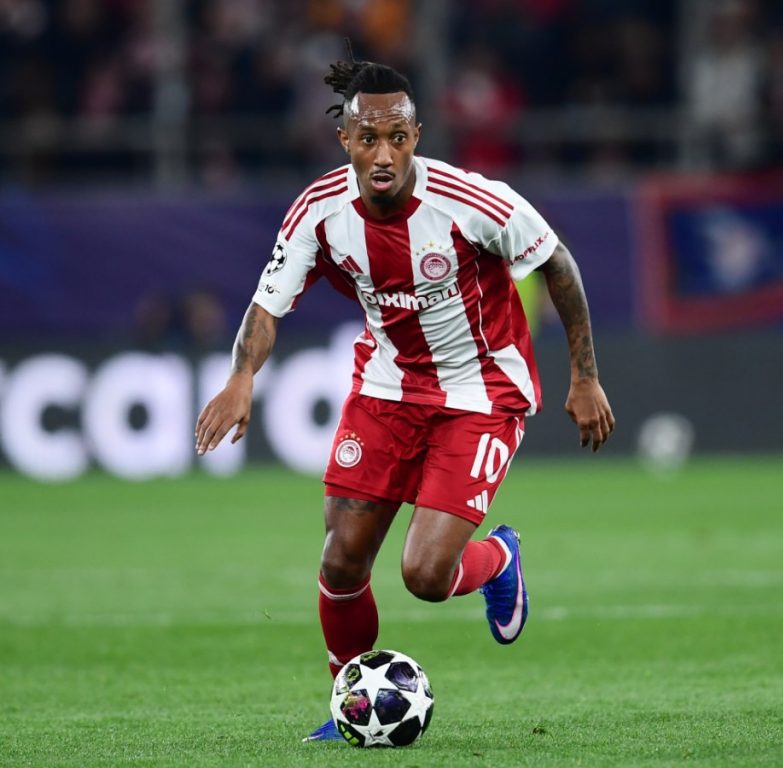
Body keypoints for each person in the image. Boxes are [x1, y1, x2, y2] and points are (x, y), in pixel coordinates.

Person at [193, 57, 615, 741]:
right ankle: (348, 704)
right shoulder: (318, 212)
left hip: (482, 393)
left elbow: (558, 265)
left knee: (424, 574)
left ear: (417, 135)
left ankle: (499, 559)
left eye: (397, 138)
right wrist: (241, 378)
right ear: (345, 141)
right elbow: (266, 306)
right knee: (340, 559)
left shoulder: (472, 201)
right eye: (368, 139)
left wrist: (584, 376)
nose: (383, 154)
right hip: (386, 390)